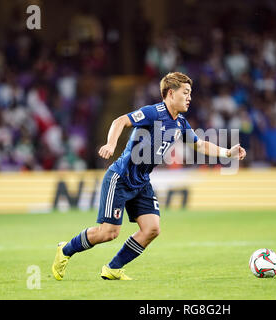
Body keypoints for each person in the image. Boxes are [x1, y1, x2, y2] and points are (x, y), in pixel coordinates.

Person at [51, 72, 246, 280]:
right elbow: (119, 121)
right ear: (171, 93)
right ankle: (65, 250)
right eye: (186, 93)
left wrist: (227, 152)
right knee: (109, 233)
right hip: (120, 178)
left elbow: (199, 144)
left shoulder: (180, 122)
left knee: (152, 229)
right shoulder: (153, 112)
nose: (190, 98)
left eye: (190, 93)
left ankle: (112, 268)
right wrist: (110, 144)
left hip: (142, 181)